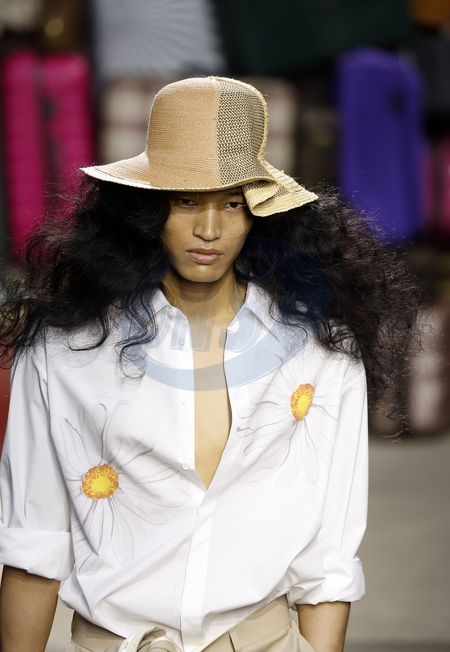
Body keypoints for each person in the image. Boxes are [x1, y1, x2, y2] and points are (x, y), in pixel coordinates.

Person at [0, 77, 418, 652]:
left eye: (232, 203)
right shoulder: (63, 351)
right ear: (149, 207)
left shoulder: (320, 352)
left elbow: (328, 562)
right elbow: (34, 547)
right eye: (187, 200)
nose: (209, 229)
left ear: (259, 214)